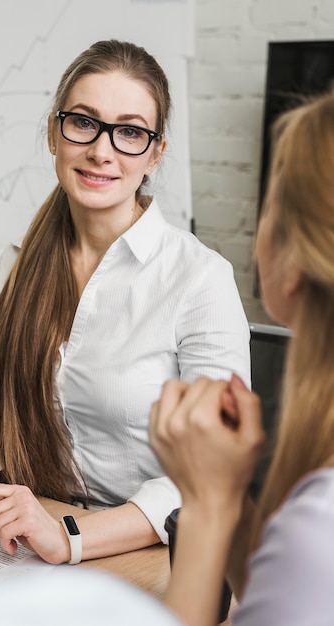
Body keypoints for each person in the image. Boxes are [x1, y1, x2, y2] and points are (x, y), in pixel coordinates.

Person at [0, 39, 250, 564]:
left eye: (131, 132)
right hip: (29, 531)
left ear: (155, 153)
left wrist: (69, 536)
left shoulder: (201, 280)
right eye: (84, 122)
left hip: (154, 551)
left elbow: (213, 472)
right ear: (54, 132)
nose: (102, 150)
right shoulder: (18, 262)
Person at [150, 90, 334, 625]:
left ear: (297, 258)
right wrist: (227, 495)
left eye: (270, 200)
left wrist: (205, 503)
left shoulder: (318, 529)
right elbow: (281, 596)